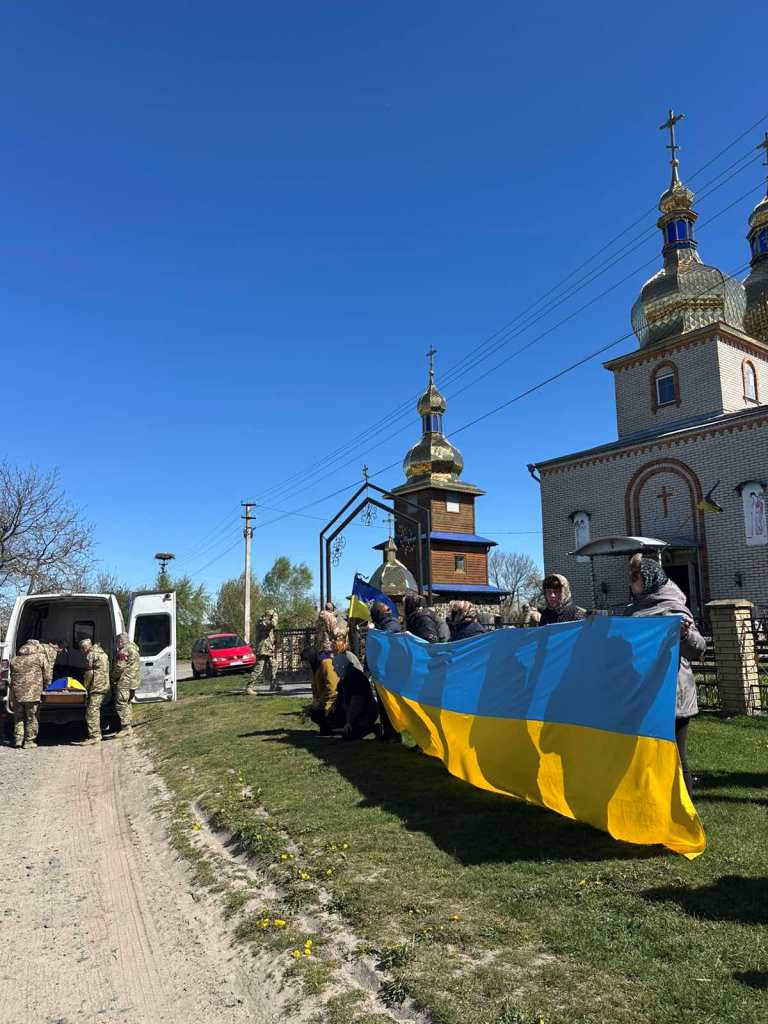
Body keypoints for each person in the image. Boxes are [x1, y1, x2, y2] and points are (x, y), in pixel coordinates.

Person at [624, 554, 706, 797]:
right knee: (645, 754)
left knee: (676, 755)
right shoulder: (632, 610)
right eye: (631, 577)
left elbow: (698, 649)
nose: (631, 582)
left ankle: (684, 808)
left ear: (649, 578)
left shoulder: (673, 607)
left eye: (636, 577)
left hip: (672, 695)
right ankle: (652, 804)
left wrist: (684, 635)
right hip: (643, 693)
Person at [330, 636, 380, 741]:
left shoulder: (355, 678)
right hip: (353, 712)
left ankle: (373, 728)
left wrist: (349, 722)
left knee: (349, 736)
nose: (334, 670)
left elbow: (356, 703)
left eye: (335, 667)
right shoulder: (345, 678)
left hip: (365, 713)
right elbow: (341, 698)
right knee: (331, 723)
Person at [10, 640, 49, 749]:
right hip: (33, 694)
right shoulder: (40, 657)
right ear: (35, 647)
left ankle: (18, 740)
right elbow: (47, 675)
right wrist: (46, 686)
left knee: (18, 718)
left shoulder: (14, 659)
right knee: (31, 718)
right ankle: (29, 741)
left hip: (17, 694)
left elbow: (11, 676)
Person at [76, 638, 110, 745]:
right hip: (104, 684)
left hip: (96, 686)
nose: (82, 651)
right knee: (95, 709)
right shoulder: (102, 653)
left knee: (92, 712)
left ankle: (95, 736)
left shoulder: (90, 655)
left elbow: (89, 674)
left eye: (82, 649)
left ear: (84, 648)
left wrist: (85, 687)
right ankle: (96, 735)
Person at [301, 644, 339, 735]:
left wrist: (322, 705)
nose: (304, 664)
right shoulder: (315, 667)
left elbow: (333, 688)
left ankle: (336, 728)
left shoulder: (326, 664)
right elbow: (316, 689)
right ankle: (329, 729)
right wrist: (313, 705)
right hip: (324, 701)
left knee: (318, 714)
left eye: (305, 661)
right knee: (314, 713)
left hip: (334, 702)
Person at [112, 632, 140, 737]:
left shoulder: (123, 651)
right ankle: (128, 725)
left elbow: (120, 667)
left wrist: (113, 676)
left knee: (121, 703)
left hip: (125, 681)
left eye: (117, 642)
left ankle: (126, 727)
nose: (117, 644)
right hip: (133, 680)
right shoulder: (134, 648)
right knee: (127, 702)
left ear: (120, 641)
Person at [247, 609, 279, 694]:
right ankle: (249, 687)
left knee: (274, 665)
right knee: (259, 668)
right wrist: (275, 616)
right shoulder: (262, 622)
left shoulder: (266, 621)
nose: (272, 617)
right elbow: (273, 624)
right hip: (262, 649)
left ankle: (273, 685)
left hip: (268, 648)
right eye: (271, 615)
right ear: (268, 615)